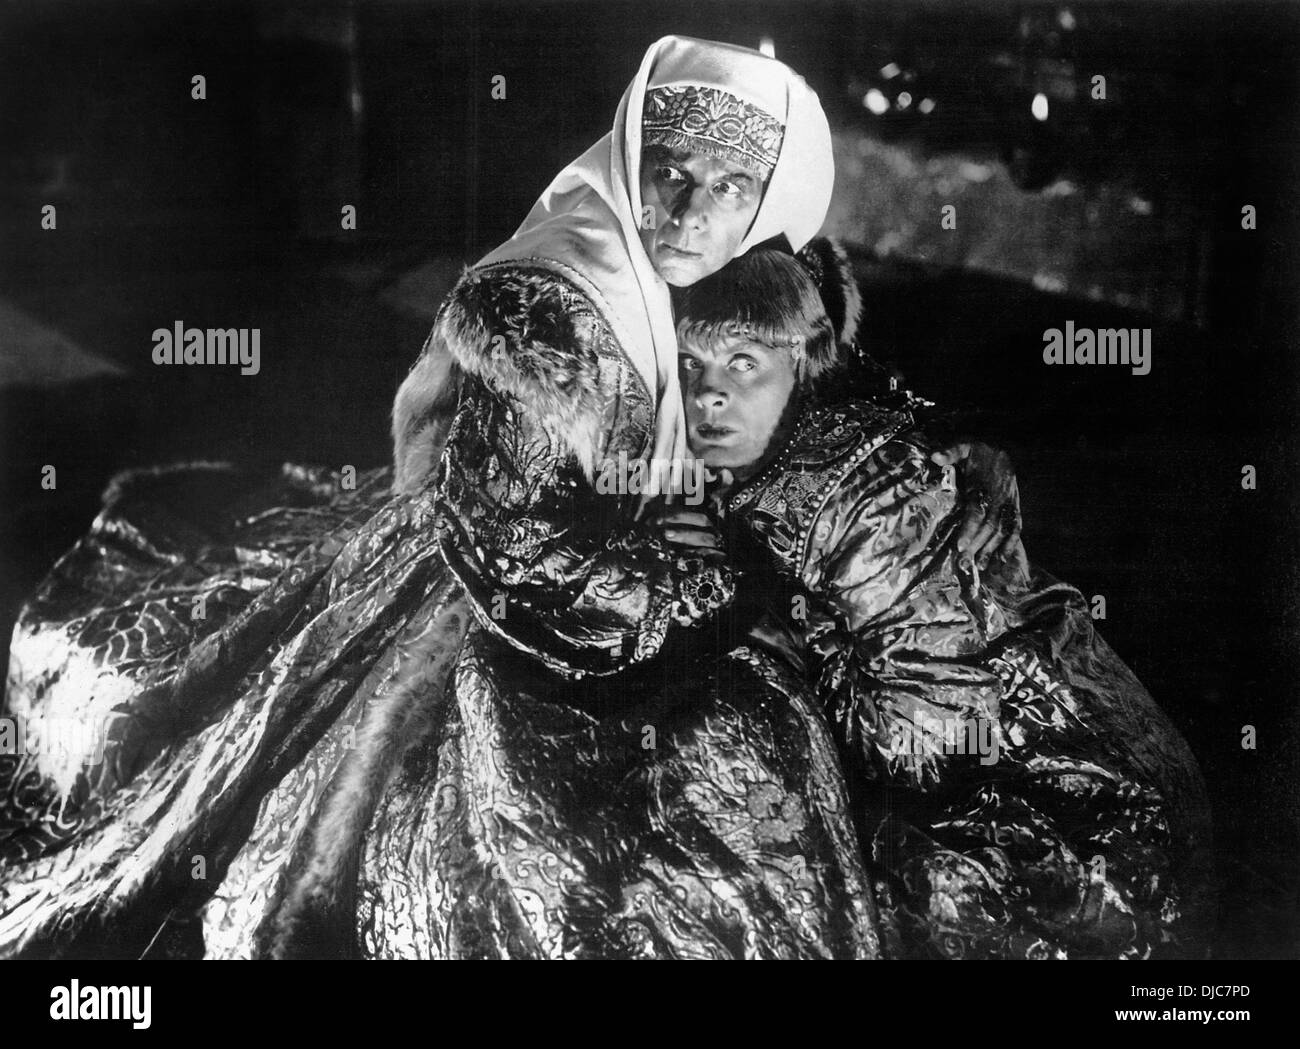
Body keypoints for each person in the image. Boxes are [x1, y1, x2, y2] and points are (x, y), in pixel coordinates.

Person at [0, 37, 1016, 960]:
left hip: (647, 569)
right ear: (629, 161)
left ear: (776, 197)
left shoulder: (748, 271)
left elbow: (772, 404)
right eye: (667, 176)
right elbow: (514, 545)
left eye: (731, 186)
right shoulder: (551, 317)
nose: (691, 212)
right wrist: (704, 590)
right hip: (518, 606)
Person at [671, 240, 1215, 958]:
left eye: (743, 362)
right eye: (690, 365)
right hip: (1081, 783)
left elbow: (923, 746)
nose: (710, 394)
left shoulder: (854, 502)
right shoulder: (802, 438)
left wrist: (777, 627)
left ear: (803, 360)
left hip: (1091, 839)